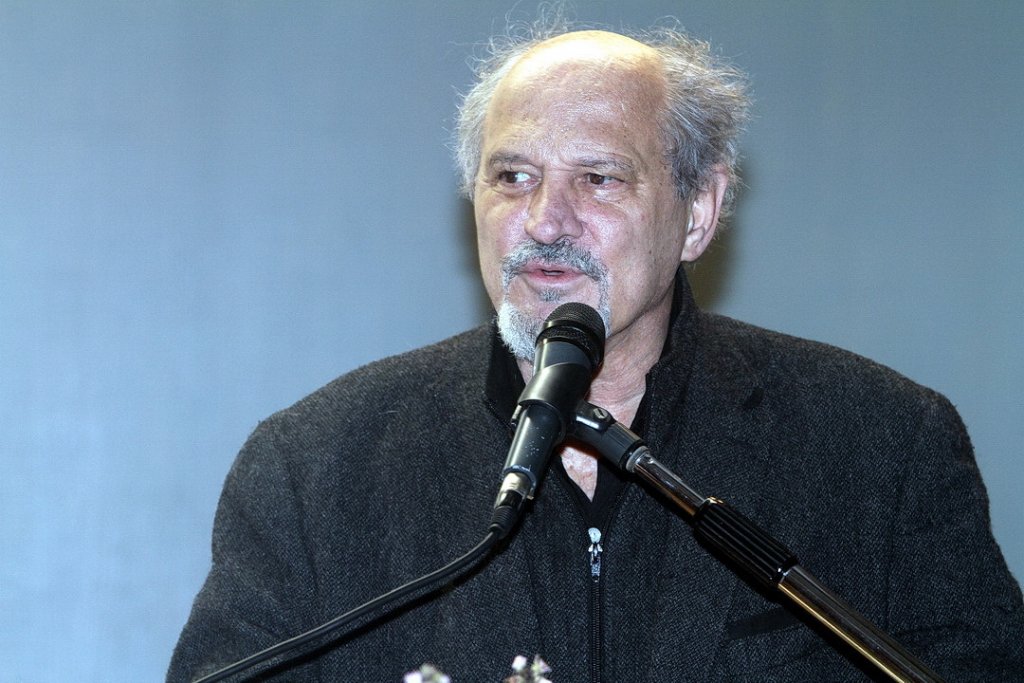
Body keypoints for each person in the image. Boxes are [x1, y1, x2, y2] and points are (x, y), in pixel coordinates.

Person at [168, 24, 1024, 682]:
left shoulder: (883, 446)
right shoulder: (315, 468)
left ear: (698, 211)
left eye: (599, 178)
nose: (545, 219)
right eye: (512, 177)